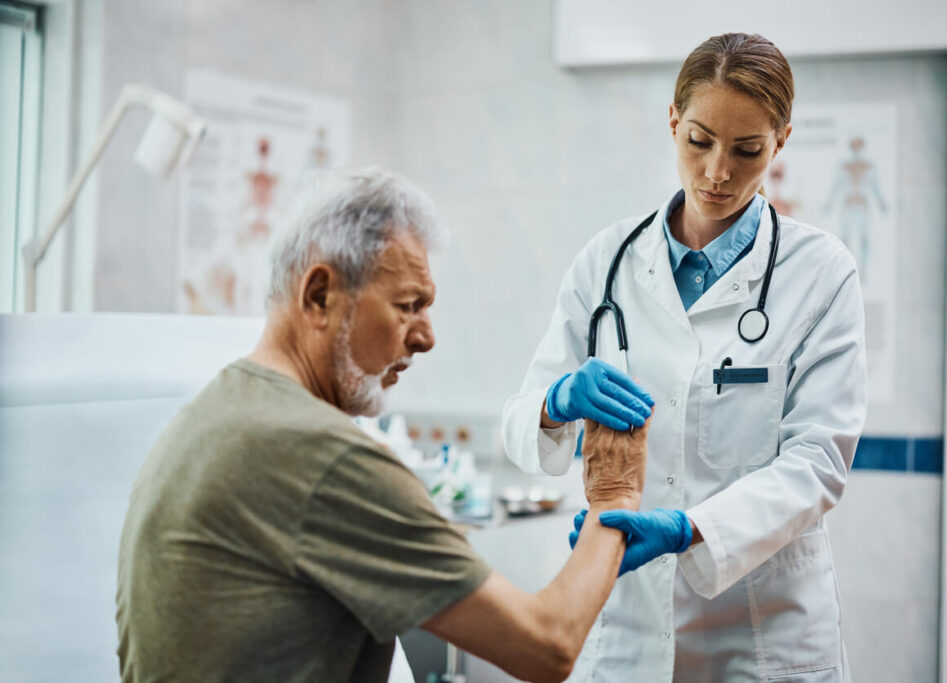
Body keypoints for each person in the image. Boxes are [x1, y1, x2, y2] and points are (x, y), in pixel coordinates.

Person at [116, 167, 651, 683]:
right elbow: (547, 646)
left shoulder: (215, 410)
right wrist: (614, 497)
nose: (426, 338)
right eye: (407, 306)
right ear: (320, 295)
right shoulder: (320, 454)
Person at [503, 33, 866, 682]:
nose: (718, 171)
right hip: (629, 635)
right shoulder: (605, 263)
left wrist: (688, 528)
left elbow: (818, 462)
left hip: (761, 637)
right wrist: (556, 402)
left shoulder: (821, 274)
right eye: (699, 141)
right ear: (673, 121)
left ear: (780, 142)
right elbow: (518, 425)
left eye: (748, 149)